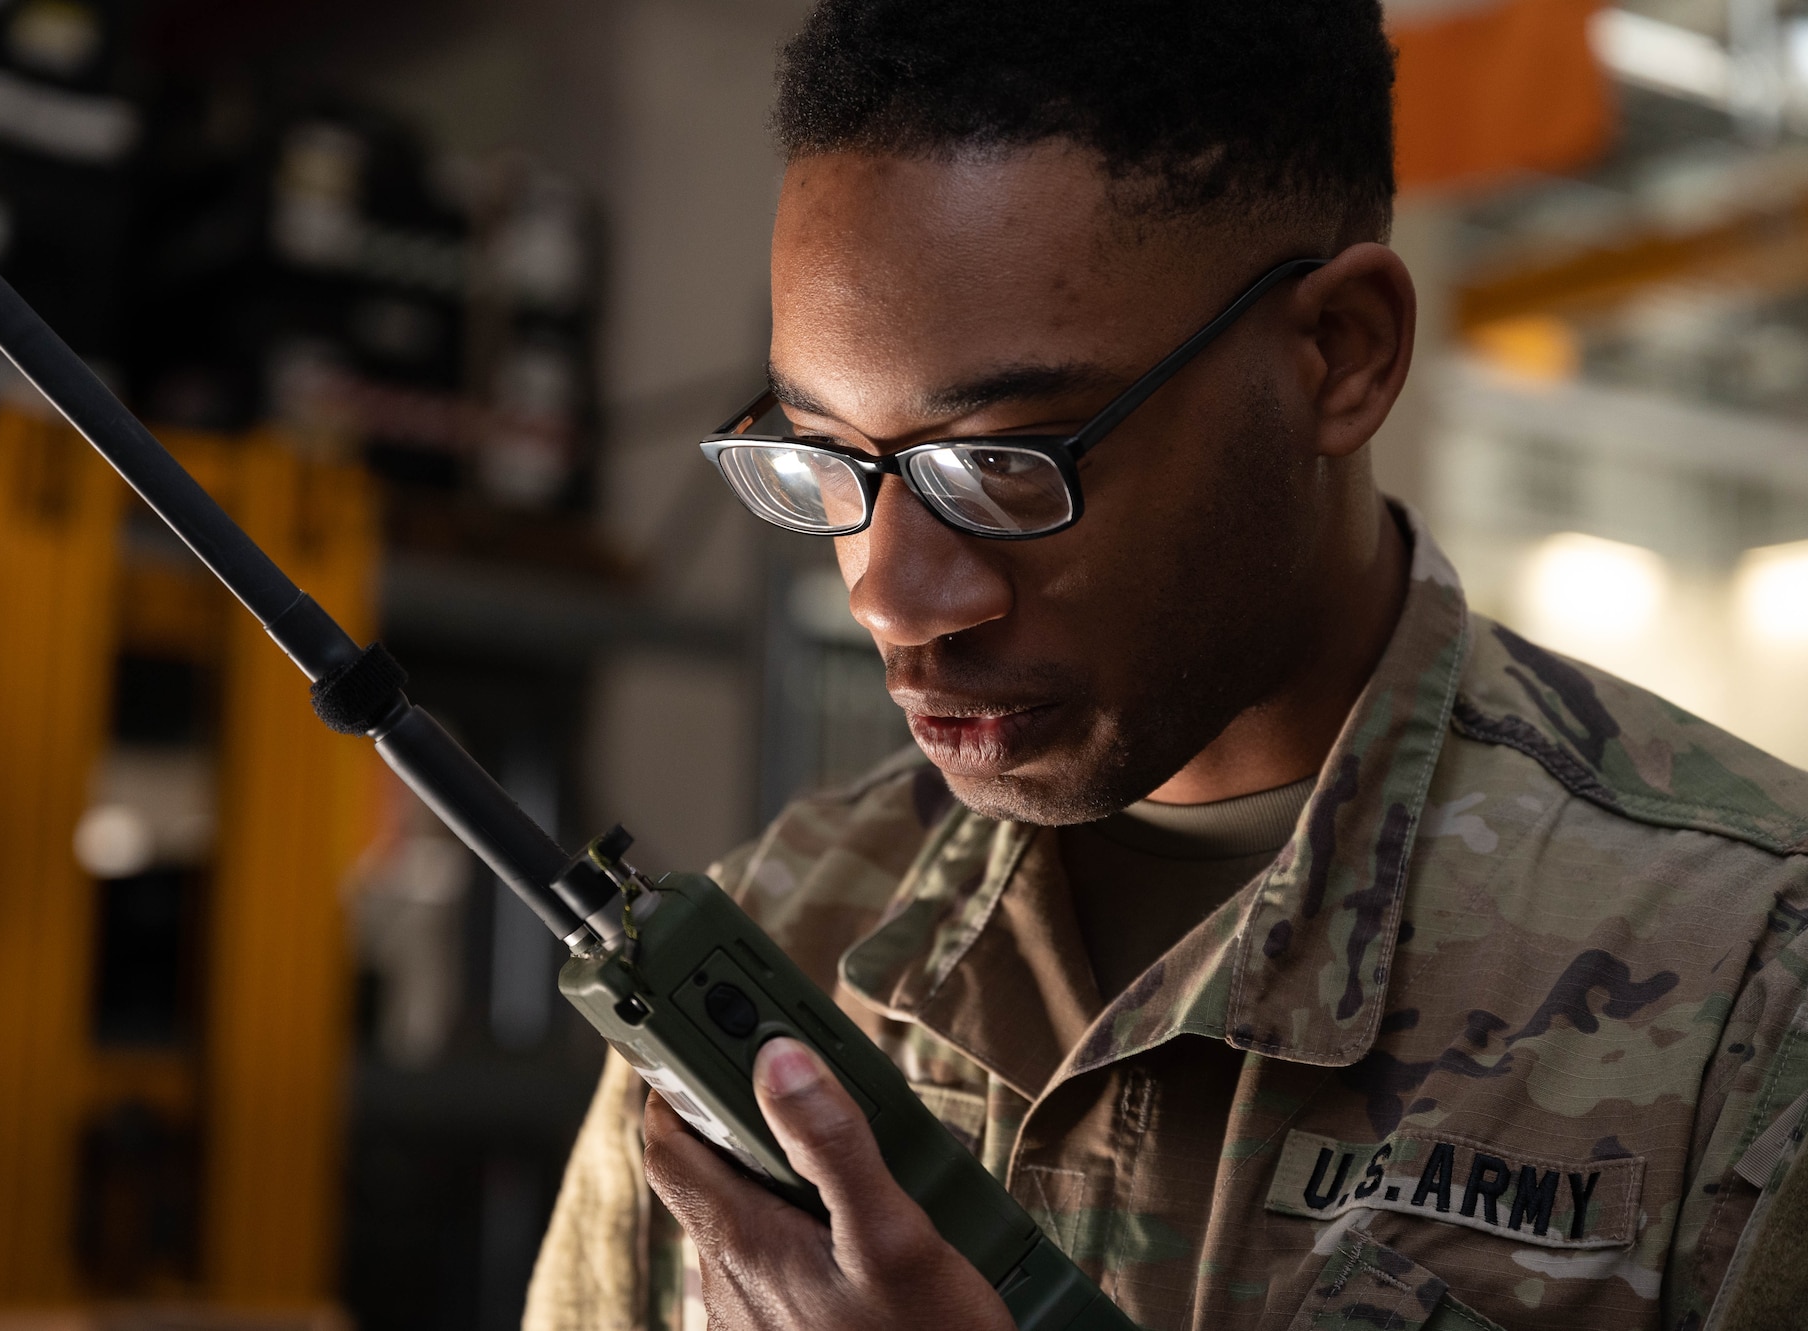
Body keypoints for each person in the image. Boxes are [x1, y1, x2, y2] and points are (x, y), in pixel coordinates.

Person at [523, 2, 1808, 1328]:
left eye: (1002, 465)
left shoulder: (1753, 998)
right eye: (824, 460)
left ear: (1339, 356)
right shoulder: (768, 953)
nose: (894, 603)